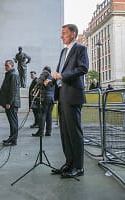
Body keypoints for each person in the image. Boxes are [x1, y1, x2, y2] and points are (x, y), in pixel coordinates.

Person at [52, 24, 89, 178]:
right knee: (65, 133)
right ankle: (68, 164)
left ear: (73, 34)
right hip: (62, 95)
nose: (62, 36)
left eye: (64, 33)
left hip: (73, 96)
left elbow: (83, 68)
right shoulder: (63, 51)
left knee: (74, 133)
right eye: (61, 33)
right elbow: (60, 72)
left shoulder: (80, 49)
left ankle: (78, 167)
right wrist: (51, 80)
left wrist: (62, 76)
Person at [0, 60, 21, 146]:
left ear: (12, 66)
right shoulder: (10, 74)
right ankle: (12, 138)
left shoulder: (13, 75)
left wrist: (9, 102)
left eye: (7, 65)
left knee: (13, 122)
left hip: (12, 103)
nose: (5, 67)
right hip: (11, 103)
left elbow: (13, 90)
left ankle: (13, 139)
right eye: (5, 65)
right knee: (12, 122)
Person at [32, 66, 55, 137]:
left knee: (43, 114)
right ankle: (48, 131)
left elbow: (39, 82)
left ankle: (40, 132)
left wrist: (37, 81)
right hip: (52, 98)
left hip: (45, 98)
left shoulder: (45, 73)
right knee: (49, 115)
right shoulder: (51, 77)